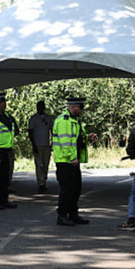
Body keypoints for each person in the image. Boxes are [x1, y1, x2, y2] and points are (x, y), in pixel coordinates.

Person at [52, 97, 97, 226]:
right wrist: (72, 157)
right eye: (80, 108)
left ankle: (73, 214)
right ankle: (62, 216)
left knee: (76, 189)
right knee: (67, 190)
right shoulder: (64, 121)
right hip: (65, 161)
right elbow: (65, 142)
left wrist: (87, 138)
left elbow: (76, 139)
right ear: (74, 107)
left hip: (72, 161)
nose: (82, 110)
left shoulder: (74, 121)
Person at [27, 100, 54, 193]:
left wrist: (52, 143)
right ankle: (41, 183)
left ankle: (44, 180)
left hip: (46, 145)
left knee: (46, 164)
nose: (41, 109)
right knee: (39, 165)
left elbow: (53, 131)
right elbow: (30, 132)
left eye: (42, 107)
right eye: (39, 107)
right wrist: (33, 145)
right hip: (37, 145)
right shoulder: (33, 119)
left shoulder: (48, 118)